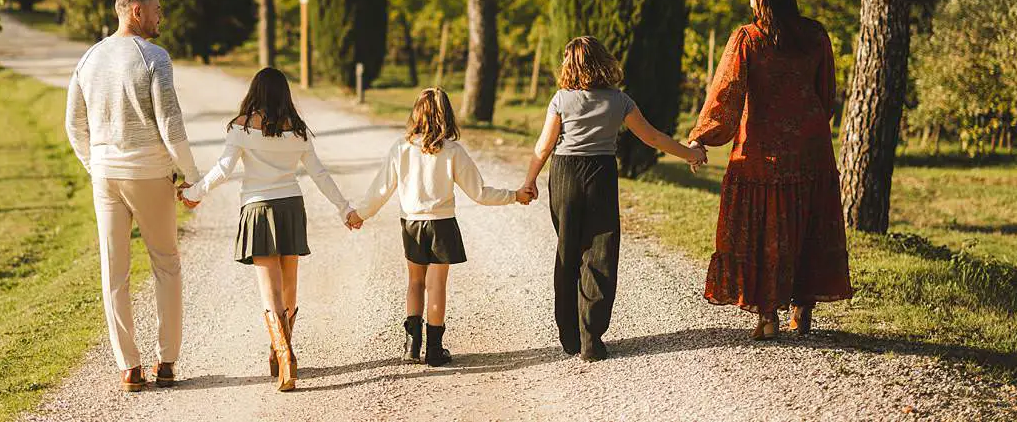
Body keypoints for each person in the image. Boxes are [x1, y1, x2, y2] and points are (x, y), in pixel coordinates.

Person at [687, 0, 853, 339]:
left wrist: (702, 136)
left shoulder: (748, 38)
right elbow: (826, 96)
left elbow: (726, 94)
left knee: (764, 230)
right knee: (806, 224)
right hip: (811, 148)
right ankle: (801, 309)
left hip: (762, 152)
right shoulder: (816, 35)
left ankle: (767, 316)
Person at [520, 36, 705, 361]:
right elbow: (653, 137)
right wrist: (689, 154)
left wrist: (530, 180)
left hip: (564, 175)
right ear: (602, 62)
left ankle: (570, 337)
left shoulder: (561, 100)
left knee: (569, 250)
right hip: (600, 177)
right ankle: (591, 338)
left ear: (569, 66)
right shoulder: (619, 101)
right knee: (600, 254)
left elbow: (544, 146)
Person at [180, 66, 357, 392]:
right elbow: (319, 174)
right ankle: (283, 352)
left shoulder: (242, 127)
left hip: (259, 209)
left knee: (270, 292)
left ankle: (284, 355)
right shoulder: (298, 130)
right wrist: (344, 208)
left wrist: (193, 194)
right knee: (289, 288)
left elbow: (222, 170)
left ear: (255, 92)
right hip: (291, 207)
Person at [65, 0, 201, 393]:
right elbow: (171, 125)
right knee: (166, 263)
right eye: (158, 9)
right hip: (148, 174)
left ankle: (129, 367)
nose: (162, 16)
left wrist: (95, 165)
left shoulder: (89, 58)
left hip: (105, 176)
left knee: (114, 271)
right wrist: (191, 174)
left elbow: (74, 124)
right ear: (137, 11)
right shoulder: (153, 57)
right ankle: (167, 362)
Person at [351, 87, 532, 367]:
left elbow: (381, 189)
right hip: (442, 225)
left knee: (414, 282)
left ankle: (412, 346)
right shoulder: (453, 151)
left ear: (416, 115)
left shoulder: (402, 148)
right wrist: (514, 195)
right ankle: (434, 349)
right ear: (447, 116)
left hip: (411, 223)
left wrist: (361, 214)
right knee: (437, 286)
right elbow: (480, 193)